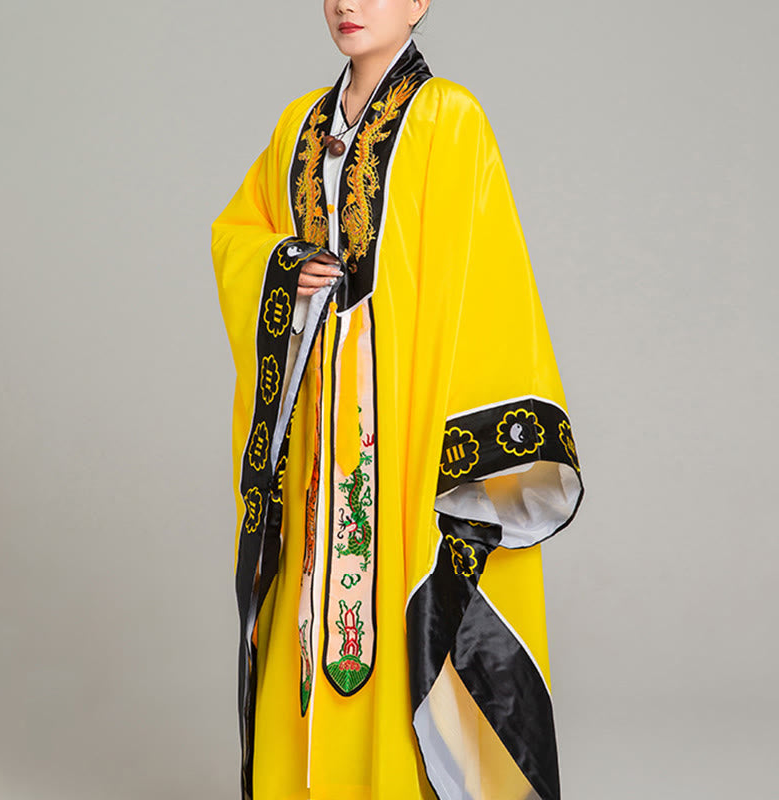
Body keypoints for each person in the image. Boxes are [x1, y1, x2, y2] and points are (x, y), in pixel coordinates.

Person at [211, 1, 584, 798]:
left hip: (403, 425)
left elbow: (485, 285)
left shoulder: (450, 118)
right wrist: (284, 266)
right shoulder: (298, 126)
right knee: (310, 612)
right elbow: (240, 234)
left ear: (418, 2)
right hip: (316, 432)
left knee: (394, 614)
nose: (348, 4)